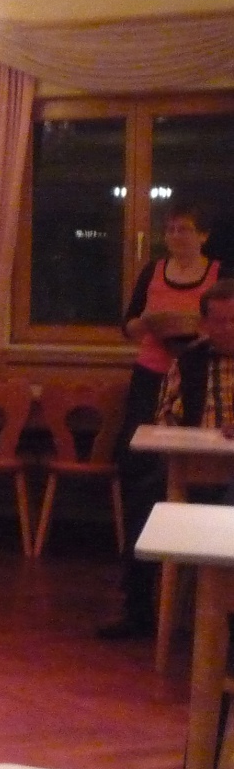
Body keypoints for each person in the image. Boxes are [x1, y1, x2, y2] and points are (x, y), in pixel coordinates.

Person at [102, 205, 220, 638]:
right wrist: (148, 324)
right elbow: (129, 324)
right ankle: (138, 603)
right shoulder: (152, 271)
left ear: (203, 235)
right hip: (152, 376)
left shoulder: (219, 275)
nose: (175, 236)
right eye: (169, 229)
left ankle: (206, 606)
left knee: (198, 482)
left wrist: (199, 330)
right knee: (140, 475)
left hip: (199, 376)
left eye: (184, 229)